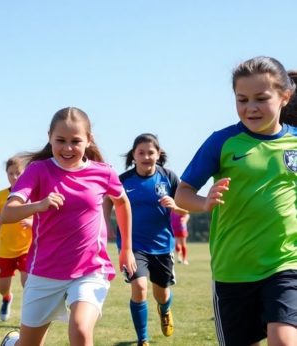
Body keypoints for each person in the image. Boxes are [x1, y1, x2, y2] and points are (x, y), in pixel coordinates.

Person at [175, 56, 297, 346]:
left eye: (260, 98)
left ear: (284, 97)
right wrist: (204, 202)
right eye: (242, 99)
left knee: (284, 339)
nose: (250, 107)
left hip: (285, 263)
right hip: (233, 269)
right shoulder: (222, 141)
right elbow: (182, 193)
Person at [0, 107, 136, 346]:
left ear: (88, 140)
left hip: (90, 270)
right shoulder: (38, 171)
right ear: (50, 137)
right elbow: (7, 214)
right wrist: (38, 205)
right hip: (44, 271)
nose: (68, 148)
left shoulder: (103, 173)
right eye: (60, 140)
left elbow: (122, 203)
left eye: (76, 141)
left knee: (81, 331)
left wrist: (126, 249)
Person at [104, 133, 187, 346]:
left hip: (161, 246)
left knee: (161, 293)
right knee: (139, 288)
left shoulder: (169, 177)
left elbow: (187, 207)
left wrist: (175, 207)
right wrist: (105, 224)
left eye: (151, 152)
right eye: (141, 152)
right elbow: (107, 200)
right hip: (132, 246)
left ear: (158, 154)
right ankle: (143, 339)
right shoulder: (123, 180)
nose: (146, 156)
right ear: (134, 155)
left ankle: (165, 309)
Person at [0, 156, 32, 322]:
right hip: (5, 250)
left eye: (18, 173)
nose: (14, 177)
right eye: (11, 173)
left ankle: (28, 317)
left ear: (24, 173)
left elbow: (43, 218)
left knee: (28, 284)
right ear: (6, 174)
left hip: (27, 248)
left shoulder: (31, 194)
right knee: (2, 287)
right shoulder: (0, 196)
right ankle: (6, 298)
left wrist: (31, 222)